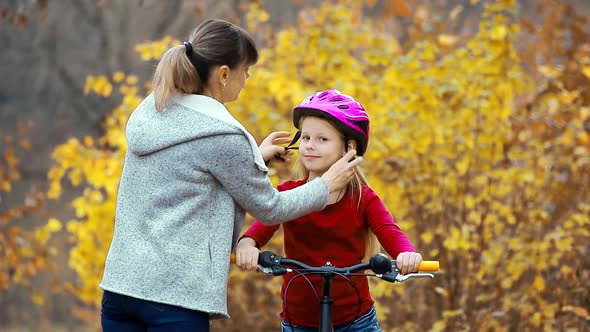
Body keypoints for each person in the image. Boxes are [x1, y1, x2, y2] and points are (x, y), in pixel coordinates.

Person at [99, 20, 362, 331]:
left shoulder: (152, 110)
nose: (247, 78)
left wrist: (253, 159)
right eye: (246, 70)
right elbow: (270, 207)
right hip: (173, 299)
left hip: (120, 289)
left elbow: (186, 171)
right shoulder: (225, 135)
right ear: (224, 74)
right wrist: (325, 185)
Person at [235, 89, 423, 332]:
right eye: (305, 138)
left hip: (357, 321)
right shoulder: (289, 193)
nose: (310, 146)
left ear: (348, 147)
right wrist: (246, 246)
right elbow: (258, 230)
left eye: (322, 139)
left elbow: (390, 232)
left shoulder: (362, 198)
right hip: (299, 322)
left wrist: (406, 254)